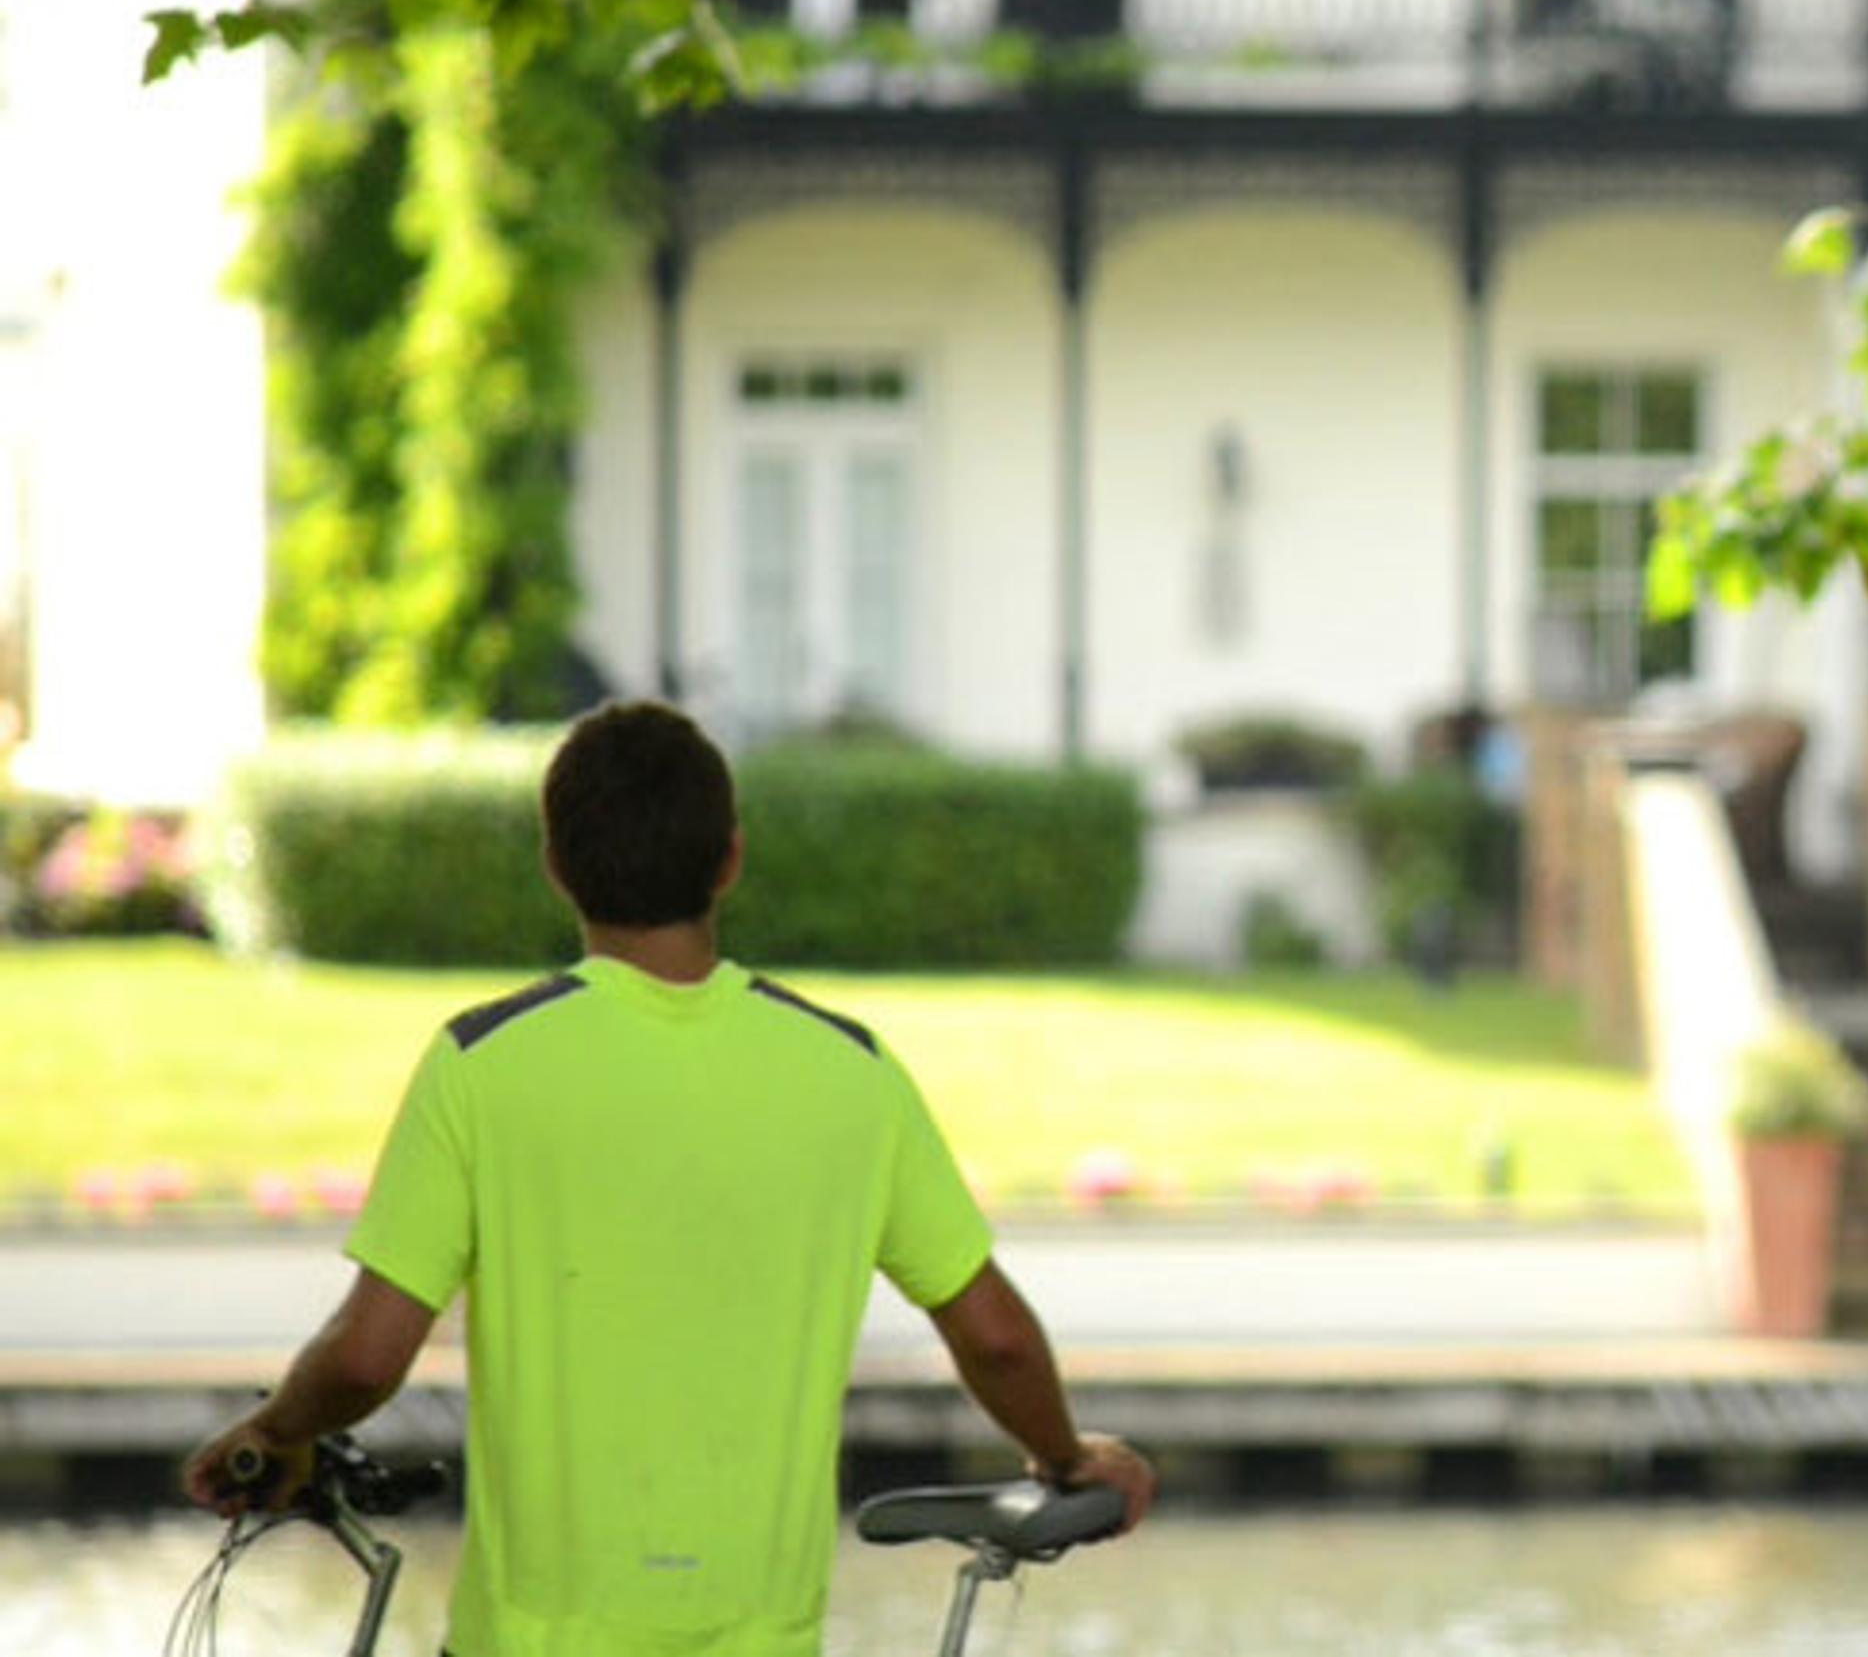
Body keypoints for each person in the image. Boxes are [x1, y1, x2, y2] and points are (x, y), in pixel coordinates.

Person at [179, 699, 1155, 1656]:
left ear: (555, 864)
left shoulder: (481, 1062)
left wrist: (278, 1428)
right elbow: (994, 1336)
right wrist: (1067, 1456)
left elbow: (363, 1357)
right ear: (729, 859)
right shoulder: (851, 1070)